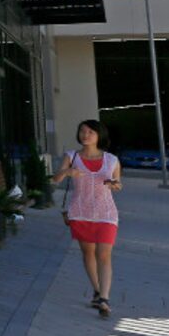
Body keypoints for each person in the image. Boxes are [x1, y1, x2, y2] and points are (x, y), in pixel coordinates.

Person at [52, 119, 122, 319]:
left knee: (104, 254)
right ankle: (97, 290)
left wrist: (114, 184)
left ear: (99, 135)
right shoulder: (71, 156)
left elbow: (119, 184)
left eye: (90, 131)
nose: (85, 135)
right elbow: (55, 179)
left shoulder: (111, 160)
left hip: (106, 213)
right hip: (80, 212)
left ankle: (105, 298)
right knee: (88, 253)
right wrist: (67, 172)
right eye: (82, 131)